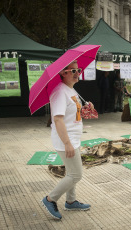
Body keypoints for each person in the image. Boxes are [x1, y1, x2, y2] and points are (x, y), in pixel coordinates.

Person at [41, 60, 90, 220]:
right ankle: (50, 199)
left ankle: (71, 201)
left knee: (71, 171)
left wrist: (85, 109)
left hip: (74, 137)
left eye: (79, 70)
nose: (78, 73)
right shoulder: (59, 92)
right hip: (66, 139)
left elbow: (72, 114)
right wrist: (67, 143)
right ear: (63, 73)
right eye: (73, 71)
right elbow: (58, 120)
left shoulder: (71, 90)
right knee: (76, 175)